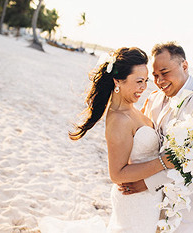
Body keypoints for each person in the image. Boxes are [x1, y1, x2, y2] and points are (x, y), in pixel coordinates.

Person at [39, 47, 174, 233]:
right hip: (135, 203)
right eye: (139, 81)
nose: (144, 87)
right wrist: (163, 162)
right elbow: (117, 174)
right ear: (118, 80)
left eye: (146, 81)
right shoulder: (119, 119)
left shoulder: (132, 109)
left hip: (147, 198)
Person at [118, 42, 193, 233]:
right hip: (150, 199)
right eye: (155, 76)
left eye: (164, 72)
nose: (159, 81)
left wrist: (145, 183)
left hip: (187, 200)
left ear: (184, 66)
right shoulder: (154, 98)